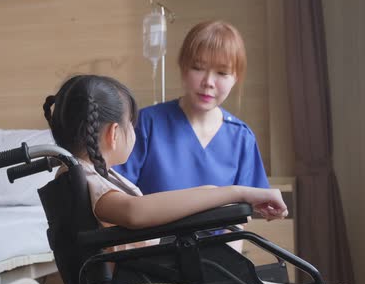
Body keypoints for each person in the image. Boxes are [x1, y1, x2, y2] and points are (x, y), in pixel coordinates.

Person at [42, 74, 287, 233]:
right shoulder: (86, 180)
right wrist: (237, 191)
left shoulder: (86, 174)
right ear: (114, 133)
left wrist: (225, 194)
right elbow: (135, 211)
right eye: (132, 124)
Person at [114, 20, 269, 195]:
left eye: (222, 73)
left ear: (235, 78)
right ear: (183, 67)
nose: (208, 82)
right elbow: (116, 195)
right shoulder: (147, 124)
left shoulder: (241, 138)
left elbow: (248, 210)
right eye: (198, 68)